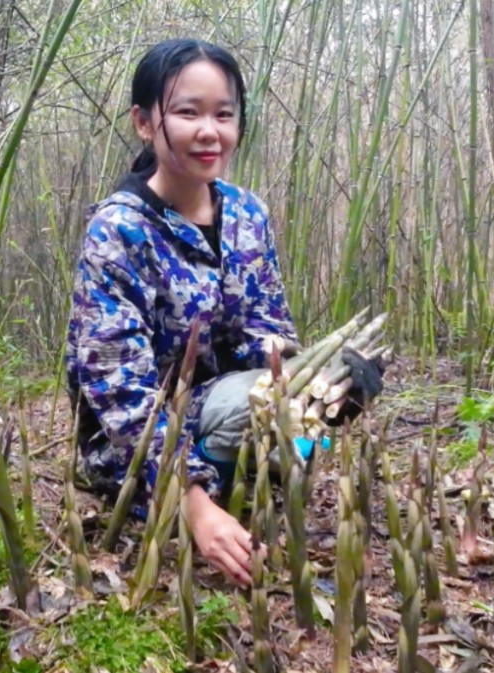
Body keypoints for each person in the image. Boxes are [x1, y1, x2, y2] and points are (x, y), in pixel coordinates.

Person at [65, 38, 385, 587]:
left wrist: (321, 372)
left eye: (224, 114)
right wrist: (194, 507)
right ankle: (211, 488)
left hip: (225, 406)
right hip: (136, 447)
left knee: (316, 389)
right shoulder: (119, 231)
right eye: (188, 113)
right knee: (253, 403)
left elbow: (268, 329)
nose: (209, 131)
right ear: (145, 123)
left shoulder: (246, 213)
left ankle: (267, 470)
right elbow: (121, 397)